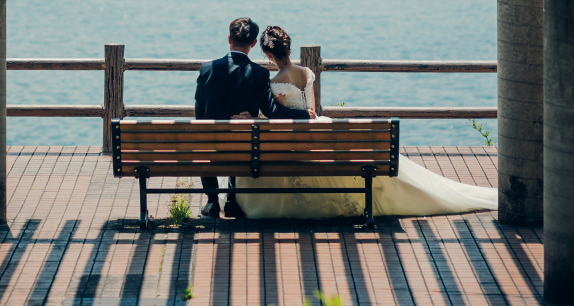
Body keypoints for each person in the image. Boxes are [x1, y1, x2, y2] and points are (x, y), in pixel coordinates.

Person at [234, 25, 499, 220]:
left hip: (297, 142)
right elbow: (312, 110)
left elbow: (277, 118)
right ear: (288, 48)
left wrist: (251, 118)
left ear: (269, 56)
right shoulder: (307, 72)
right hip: (317, 132)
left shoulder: (276, 83)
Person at [195, 16, 312, 219]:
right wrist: (304, 115)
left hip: (212, 146)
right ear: (253, 43)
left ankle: (213, 201)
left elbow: (200, 113)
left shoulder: (207, 69)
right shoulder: (258, 73)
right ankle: (232, 200)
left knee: (206, 139)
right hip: (245, 148)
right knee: (242, 141)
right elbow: (273, 112)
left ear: (229, 39)